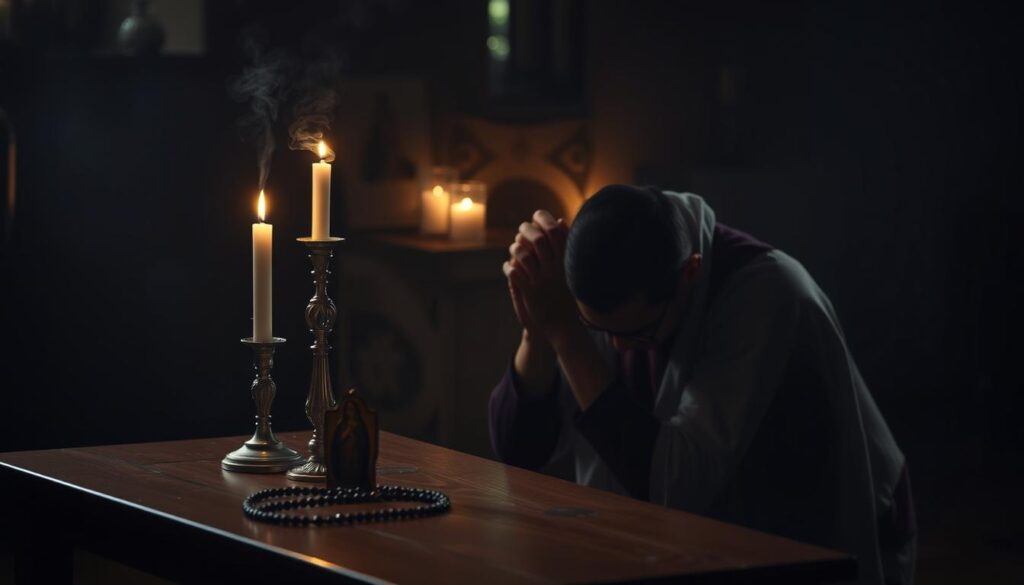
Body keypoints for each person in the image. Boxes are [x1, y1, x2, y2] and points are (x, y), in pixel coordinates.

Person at [489, 185, 915, 585]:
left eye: (636, 336)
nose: (617, 349)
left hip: (807, 538)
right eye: (595, 329)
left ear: (690, 272)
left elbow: (675, 484)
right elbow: (517, 451)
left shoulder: (767, 293)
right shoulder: (602, 273)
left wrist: (568, 335)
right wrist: (537, 329)